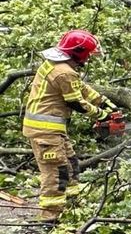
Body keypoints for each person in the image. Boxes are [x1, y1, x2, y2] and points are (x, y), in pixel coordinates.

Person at [22, 30, 118, 220]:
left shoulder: (60, 65)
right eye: (88, 55)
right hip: (45, 130)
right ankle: (50, 218)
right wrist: (102, 115)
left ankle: (73, 207)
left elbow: (81, 88)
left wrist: (105, 102)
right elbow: (76, 102)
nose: (89, 58)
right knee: (57, 172)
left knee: (71, 165)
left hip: (52, 129)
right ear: (79, 52)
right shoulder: (63, 72)